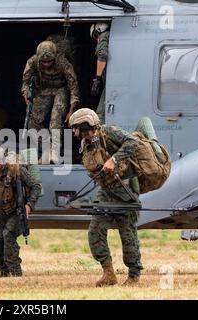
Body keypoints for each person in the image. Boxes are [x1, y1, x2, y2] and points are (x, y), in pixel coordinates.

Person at [69, 108, 143, 286]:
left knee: (127, 234)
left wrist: (114, 159)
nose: (73, 132)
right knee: (95, 230)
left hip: (126, 190)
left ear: (84, 125)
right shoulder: (87, 144)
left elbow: (133, 143)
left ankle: (134, 275)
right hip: (106, 190)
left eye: (75, 128)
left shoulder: (108, 132)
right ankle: (108, 273)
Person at [0, 145, 42, 277]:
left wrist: (29, 205)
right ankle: (3, 272)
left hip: (16, 211)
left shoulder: (16, 170)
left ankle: (15, 271)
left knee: (8, 235)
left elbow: (36, 187)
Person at [22, 40, 80, 164]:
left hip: (61, 89)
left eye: (49, 61)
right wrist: (26, 93)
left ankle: (55, 153)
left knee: (55, 120)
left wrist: (71, 110)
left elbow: (73, 85)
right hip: (44, 90)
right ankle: (45, 149)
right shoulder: (33, 61)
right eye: (43, 62)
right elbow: (25, 81)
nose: (47, 64)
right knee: (33, 121)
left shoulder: (62, 62)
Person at [90, 23, 110, 124]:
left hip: (111, 86)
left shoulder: (103, 37)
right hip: (111, 85)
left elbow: (102, 54)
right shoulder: (110, 36)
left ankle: (97, 140)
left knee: (100, 117)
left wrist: (97, 79)